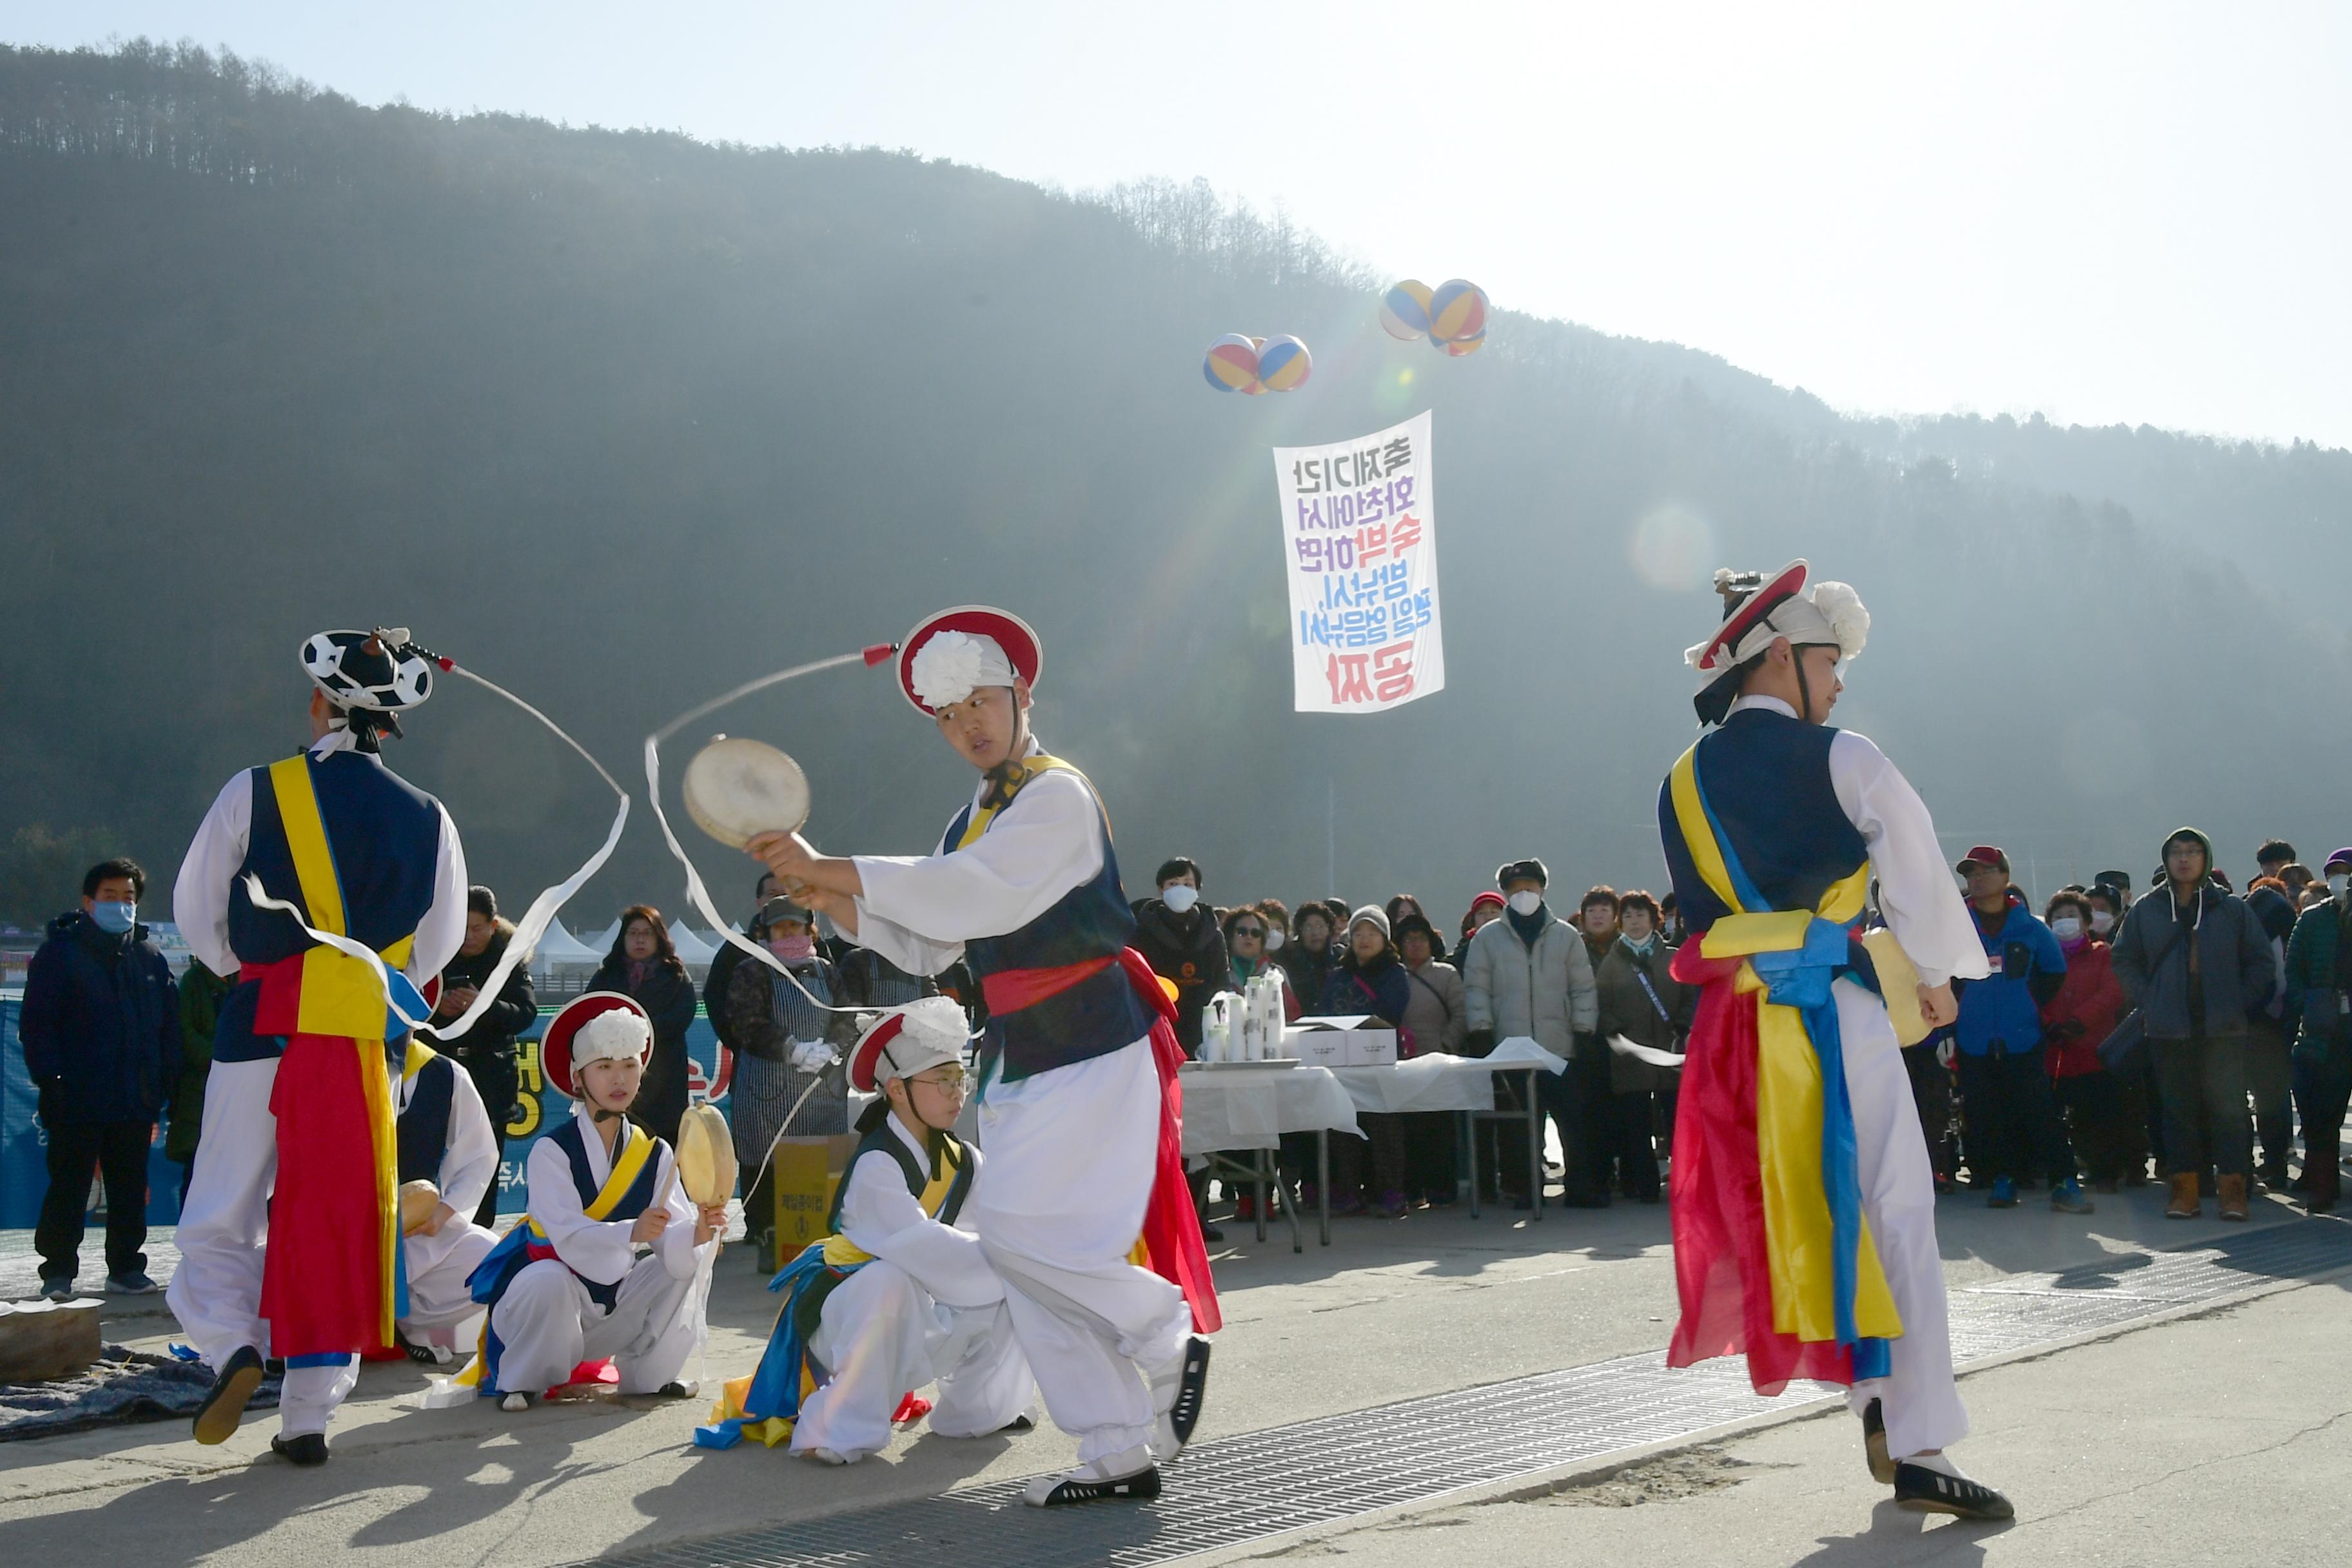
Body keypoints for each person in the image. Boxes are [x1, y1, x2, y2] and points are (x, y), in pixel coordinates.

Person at [745, 607, 1213, 1508]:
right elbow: (929, 942)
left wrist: (833, 867)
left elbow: (971, 897)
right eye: (950, 717)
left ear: (1021, 695)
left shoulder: (1056, 794)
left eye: (981, 704)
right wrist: (829, 894)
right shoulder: (975, 814)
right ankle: (1115, 1449)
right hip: (1027, 1052)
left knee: (1017, 1242)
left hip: (1092, 1036)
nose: (969, 727)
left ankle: (1163, 1335)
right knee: (1030, 1254)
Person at [1660, 560, 2008, 1520]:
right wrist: (1936, 978)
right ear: (1783, 660)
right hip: (1835, 1013)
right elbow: (1915, 865)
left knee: (1807, 1213)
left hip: (1738, 1024)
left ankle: (1870, 1394)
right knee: (1896, 1205)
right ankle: (1919, 1433)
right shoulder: (1845, 756)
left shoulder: (1681, 781)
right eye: (1830, 658)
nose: (1842, 679)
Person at [168, 629, 468, 1465]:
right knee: (336, 1222)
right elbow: (435, 947)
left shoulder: (255, 791)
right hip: (360, 1048)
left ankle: (232, 1344)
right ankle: (306, 1418)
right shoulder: (429, 819)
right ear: (392, 722)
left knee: (221, 1210)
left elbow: (198, 910)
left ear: (317, 701)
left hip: (260, 1024)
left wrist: (249, 969)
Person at [701, 998, 1034, 1460]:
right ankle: (838, 1427)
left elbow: (989, 1232)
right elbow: (927, 1248)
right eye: (943, 1080)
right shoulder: (877, 1164)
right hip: (848, 1316)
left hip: (919, 1305)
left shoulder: (965, 1160)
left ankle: (979, 1410)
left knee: (1014, 1285)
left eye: (960, 1079)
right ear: (896, 1089)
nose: (958, 1093)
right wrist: (1010, 1258)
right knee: (890, 1280)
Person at [467, 992, 723, 1410]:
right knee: (547, 1277)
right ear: (578, 1077)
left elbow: (673, 1245)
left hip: (610, 1309)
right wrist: (631, 1232)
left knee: (680, 1268)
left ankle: (650, 1376)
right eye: (604, 1067)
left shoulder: (656, 1153)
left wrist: (697, 1232)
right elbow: (567, 1236)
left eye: (629, 1067)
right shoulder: (551, 1151)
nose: (618, 1079)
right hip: (547, 1309)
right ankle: (525, 1379)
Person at [21, 857, 181, 1300]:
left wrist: (164, 1083)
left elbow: (168, 1026)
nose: (120, 905)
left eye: (128, 897)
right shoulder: (60, 954)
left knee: (128, 1187)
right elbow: (37, 1025)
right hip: (76, 1097)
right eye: (110, 896)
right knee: (70, 1186)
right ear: (89, 902)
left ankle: (127, 1268)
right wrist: (50, 1081)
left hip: (134, 1098)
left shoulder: (150, 957)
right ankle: (57, 1273)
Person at [2110, 828, 2277, 1222]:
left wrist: (2240, 1000)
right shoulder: (2147, 909)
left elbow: (2261, 963)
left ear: (2206, 858)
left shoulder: (2232, 909)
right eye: (2176, 852)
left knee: (2230, 1112)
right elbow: (2123, 959)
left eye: (2193, 851)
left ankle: (2233, 1191)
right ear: (2166, 860)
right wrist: (2150, 998)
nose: (2184, 859)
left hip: (2224, 1029)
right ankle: (2184, 1190)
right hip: (2169, 1030)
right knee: (2177, 1112)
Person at [1950, 847, 2090, 1214]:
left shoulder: (2031, 927)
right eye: (1971, 874)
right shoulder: (1956, 927)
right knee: (1985, 1115)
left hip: (2023, 1037)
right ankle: (2003, 1179)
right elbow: (1941, 976)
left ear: (2004, 876)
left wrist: (2029, 1002)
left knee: (2041, 1111)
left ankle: (2064, 1181)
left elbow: (2054, 970)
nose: (1978, 879)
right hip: (1974, 1039)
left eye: (1986, 871)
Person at [1463, 858, 1602, 1209]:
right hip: (1511, 1047)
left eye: (1530, 887)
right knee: (1519, 1127)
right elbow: (1476, 988)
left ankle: (1580, 1187)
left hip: (1559, 1046)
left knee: (1573, 1120)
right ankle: (1526, 1188)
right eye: (1515, 889)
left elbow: (1582, 987)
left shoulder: (1566, 936)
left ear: (1543, 889)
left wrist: (1584, 1030)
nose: (1523, 894)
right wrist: (1481, 1029)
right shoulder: (1487, 938)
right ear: (1505, 893)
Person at [725, 895, 856, 1270]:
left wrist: (831, 1047)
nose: (788, 931)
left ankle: (819, 1239)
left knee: (819, 1163)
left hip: (821, 1090)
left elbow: (846, 1019)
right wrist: (792, 1049)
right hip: (767, 1088)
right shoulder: (752, 970)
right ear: (765, 931)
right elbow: (745, 1022)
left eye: (794, 925)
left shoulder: (827, 971)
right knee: (764, 1161)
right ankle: (767, 1235)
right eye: (780, 926)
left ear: (809, 928)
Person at [391, 1029, 501, 1365]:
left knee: (492, 1260)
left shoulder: (443, 1073)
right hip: (343, 1233)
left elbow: (479, 1154)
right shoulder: (338, 1066)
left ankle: (404, 1323)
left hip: (413, 1233)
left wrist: (442, 1214)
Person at [432, 885, 537, 1227]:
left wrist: (483, 1005)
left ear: (493, 926)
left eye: (476, 929)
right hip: (442, 1072)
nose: (468, 937)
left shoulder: (509, 959)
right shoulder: (438, 954)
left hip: (491, 1076)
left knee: (485, 1163)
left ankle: (480, 1234)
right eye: (461, 928)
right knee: (433, 1156)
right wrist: (438, 1007)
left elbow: (525, 1013)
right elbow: (412, 1008)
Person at [1591, 891, 1692, 1204]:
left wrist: (1684, 1025)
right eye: (1629, 917)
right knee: (1636, 1124)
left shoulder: (1674, 956)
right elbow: (1601, 1004)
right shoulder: (1612, 963)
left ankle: (1684, 1183)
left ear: (1654, 919)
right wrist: (1614, 1030)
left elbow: (1690, 998)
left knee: (1677, 1121)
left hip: (1670, 1050)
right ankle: (1645, 1185)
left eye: (1641, 916)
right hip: (1631, 1055)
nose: (1635, 923)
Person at [1318, 907, 1413, 1218]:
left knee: (1385, 1126)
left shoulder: (1395, 973)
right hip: (1341, 1063)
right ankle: (1348, 1190)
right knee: (1343, 1126)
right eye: (1358, 933)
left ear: (1385, 939)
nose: (1364, 939)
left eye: (1372, 933)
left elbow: (1392, 1013)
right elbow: (1325, 1013)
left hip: (1380, 1060)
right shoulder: (1338, 975)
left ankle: (1390, 1190)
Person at [2038, 890, 2134, 1191]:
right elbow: (2036, 996)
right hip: (2055, 1052)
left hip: (2094, 1049)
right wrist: (2051, 1023)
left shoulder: (2104, 953)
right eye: (2059, 917)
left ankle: (2105, 1171)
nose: (2065, 922)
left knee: (2099, 1115)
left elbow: (2112, 992)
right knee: (2053, 1117)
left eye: (2072, 916)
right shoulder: (2043, 959)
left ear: (2087, 922)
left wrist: (2080, 1020)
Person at [587, 906, 700, 1148]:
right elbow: (588, 1016)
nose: (640, 939)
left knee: (662, 1153)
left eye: (647, 933)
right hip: (614, 1081)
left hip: (665, 1081)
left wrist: (636, 1030)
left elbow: (682, 1016)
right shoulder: (606, 976)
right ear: (623, 938)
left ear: (659, 938)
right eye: (633, 933)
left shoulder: (676, 975)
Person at [2284, 849, 2352, 1212]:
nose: (2341, 880)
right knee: (2322, 1111)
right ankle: (2323, 1185)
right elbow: (2292, 969)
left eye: (2347, 872)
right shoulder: (2311, 920)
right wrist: (2309, 1001)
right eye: (2335, 873)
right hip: (2324, 1030)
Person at [1394, 913, 1466, 1207]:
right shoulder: (1392, 975)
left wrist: (1446, 1044)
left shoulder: (1446, 974)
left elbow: (1462, 1015)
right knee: (1407, 1130)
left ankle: (1442, 1188)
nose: (1414, 945)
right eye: (1408, 940)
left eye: (1420, 939)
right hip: (1401, 1064)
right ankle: (1412, 1190)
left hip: (1439, 1062)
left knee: (1440, 1129)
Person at [1132, 857, 1228, 1058]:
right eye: (1173, 884)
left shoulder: (1212, 933)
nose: (1180, 890)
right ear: (1161, 889)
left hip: (1204, 1028)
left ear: (1197, 889)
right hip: (1158, 1027)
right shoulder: (1142, 931)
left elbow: (1221, 983)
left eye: (1187, 884)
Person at [2242, 874, 2300, 1190]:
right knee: (2271, 1100)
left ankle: (2254, 1165)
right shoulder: (2283, 931)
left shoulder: (2248, 932)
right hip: (2272, 1026)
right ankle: (2274, 1163)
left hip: (2247, 1023)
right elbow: (2280, 982)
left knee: (2245, 1100)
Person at [169, 956, 233, 1208]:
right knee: (197, 1170)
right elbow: (184, 1036)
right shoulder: (193, 982)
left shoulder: (251, 978)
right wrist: (224, 1056)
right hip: (199, 1096)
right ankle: (192, 1236)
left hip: (241, 1094)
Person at [703, 870, 784, 1056]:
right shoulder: (737, 948)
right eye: (772, 894)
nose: (779, 900)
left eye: (785, 894)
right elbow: (714, 995)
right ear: (759, 903)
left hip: (810, 1058)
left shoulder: (814, 947)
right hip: (751, 1058)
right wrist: (738, 1043)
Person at [1453, 891, 1504, 969]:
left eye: (1494, 912)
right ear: (1473, 920)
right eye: (1481, 913)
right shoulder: (1463, 951)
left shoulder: (1517, 943)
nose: (1488, 917)